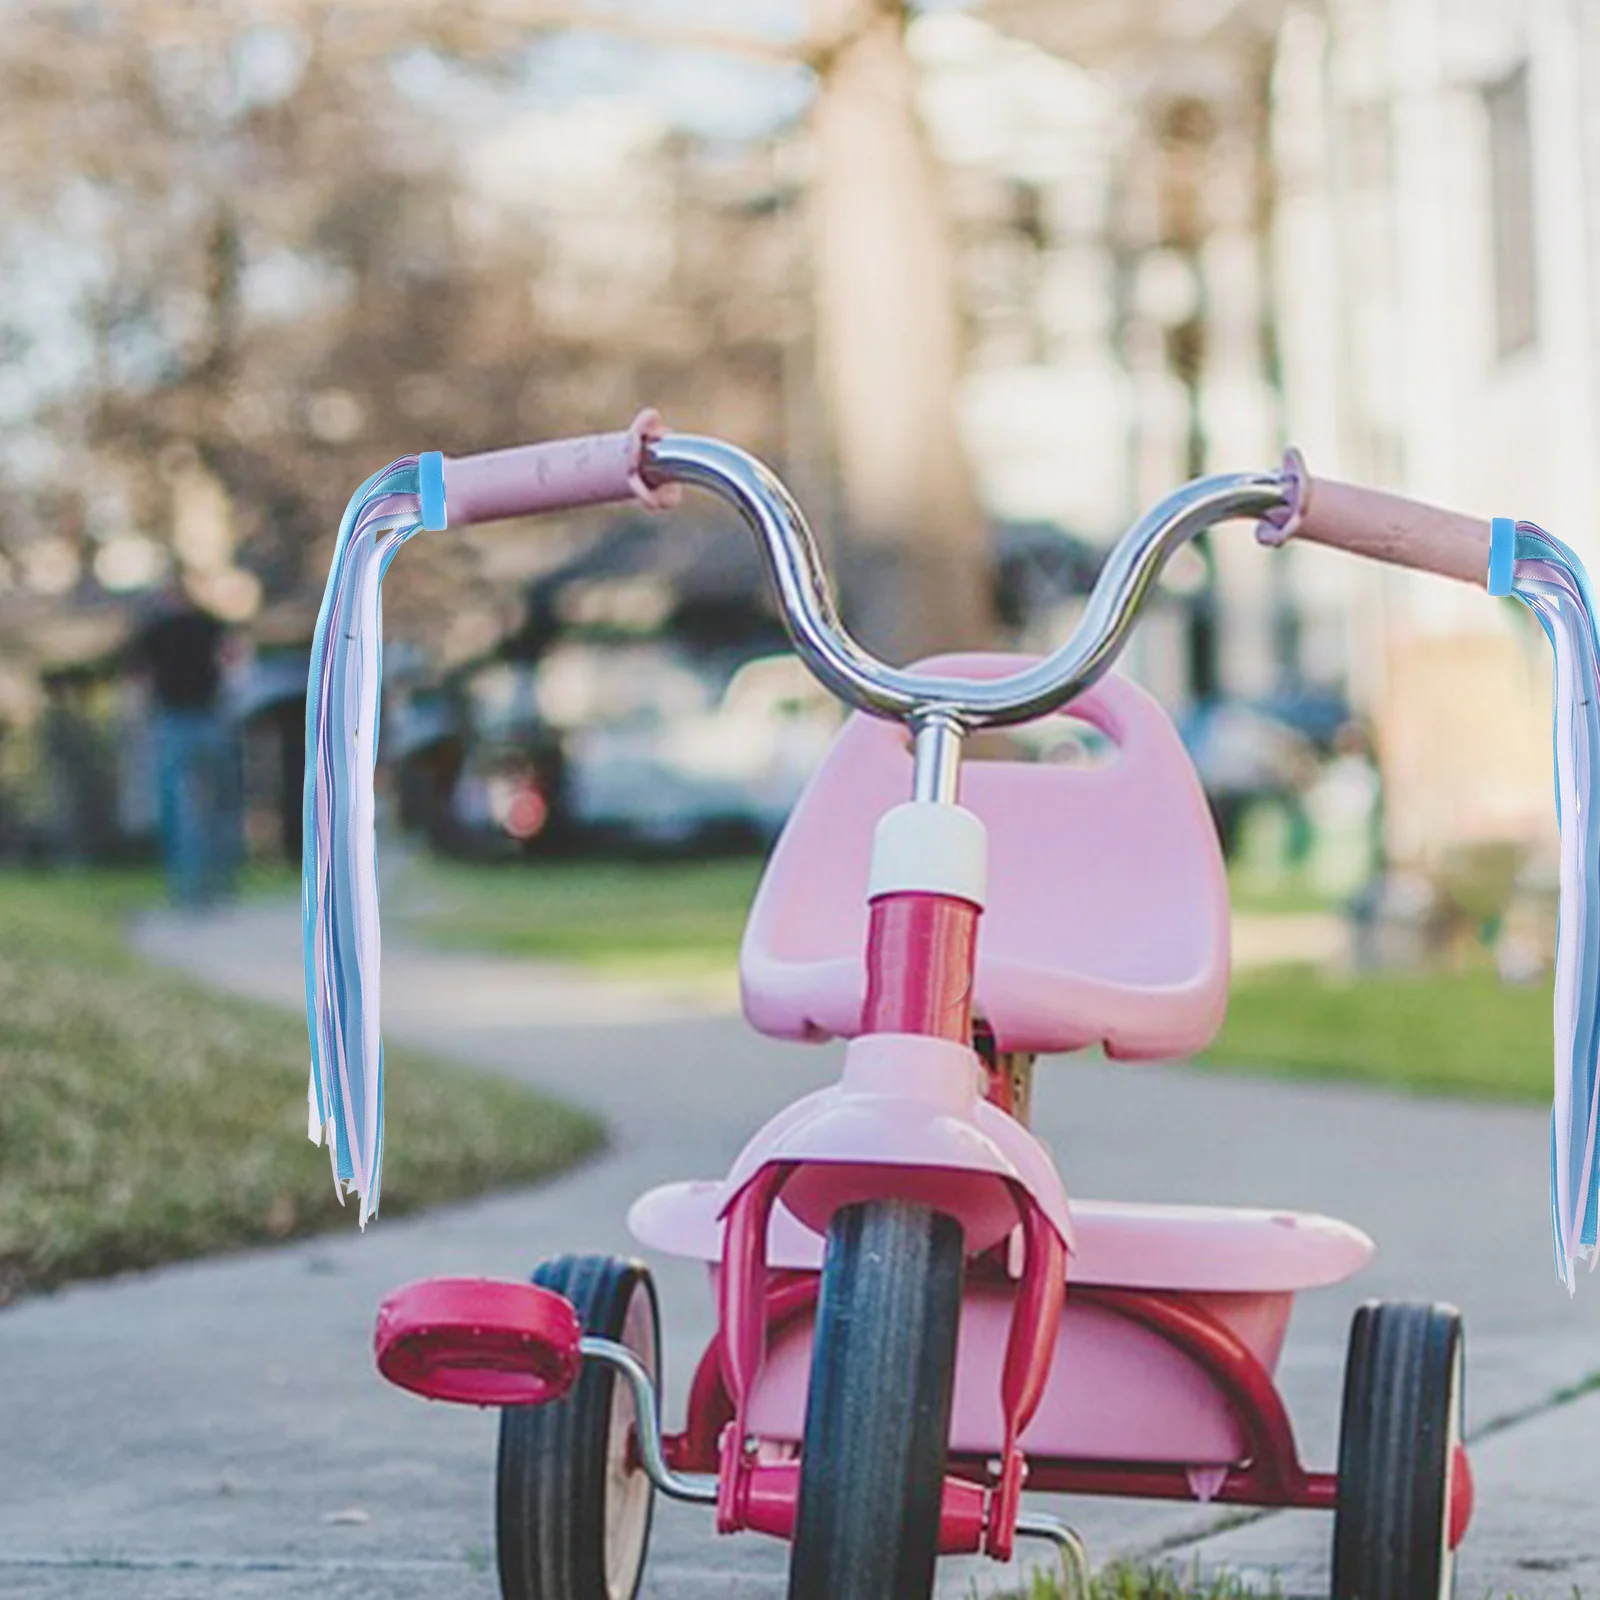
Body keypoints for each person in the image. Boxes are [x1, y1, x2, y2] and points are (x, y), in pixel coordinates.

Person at [127, 579, 241, 907]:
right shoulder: (210, 623)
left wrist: (138, 719)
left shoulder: (154, 631)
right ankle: (221, 881)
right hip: (211, 717)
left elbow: (139, 679)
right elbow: (234, 661)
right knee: (219, 803)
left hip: (173, 721)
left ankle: (187, 887)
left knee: (180, 808)